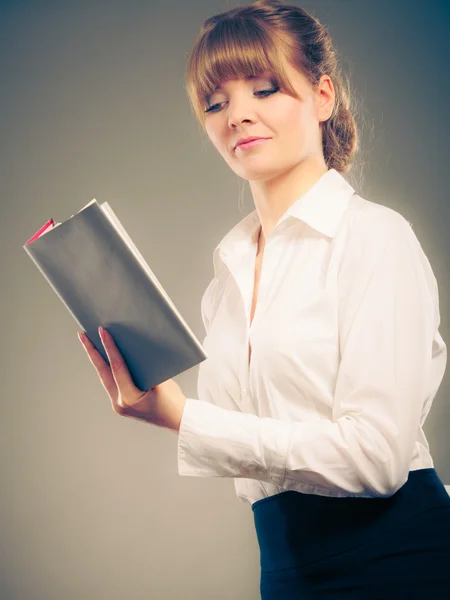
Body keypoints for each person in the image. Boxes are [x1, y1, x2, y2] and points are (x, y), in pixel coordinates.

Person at [78, 0, 450, 597]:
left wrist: (181, 418)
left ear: (323, 97)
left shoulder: (377, 237)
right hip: (284, 568)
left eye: (265, 88)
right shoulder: (225, 277)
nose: (237, 116)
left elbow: (377, 458)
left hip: (399, 558)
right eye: (216, 102)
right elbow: (254, 461)